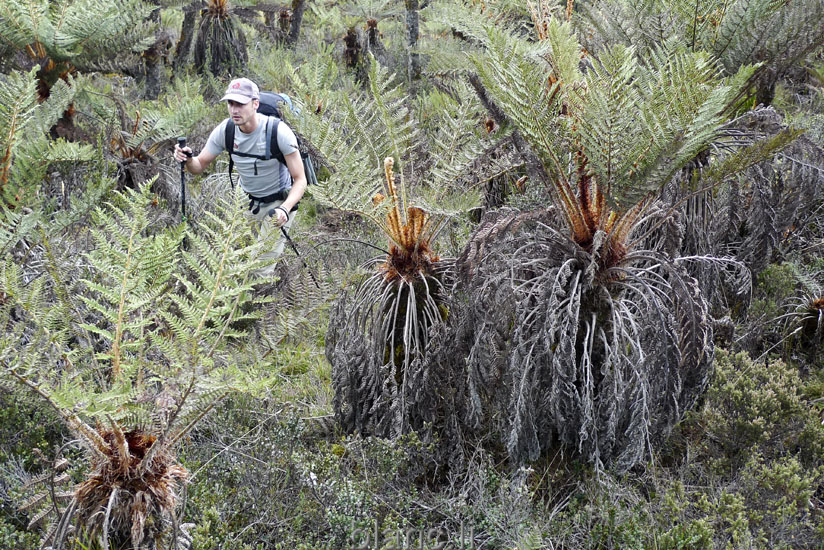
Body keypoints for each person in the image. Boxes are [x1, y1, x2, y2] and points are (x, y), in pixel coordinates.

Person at [173, 77, 307, 277]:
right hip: (245, 202)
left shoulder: (278, 132)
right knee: (234, 261)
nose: (234, 110)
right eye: (230, 103)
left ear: (255, 104)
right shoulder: (225, 131)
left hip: (278, 204)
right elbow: (198, 166)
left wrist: (285, 210)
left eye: (240, 104)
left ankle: (264, 304)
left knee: (258, 269)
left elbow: (300, 180)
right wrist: (188, 158)